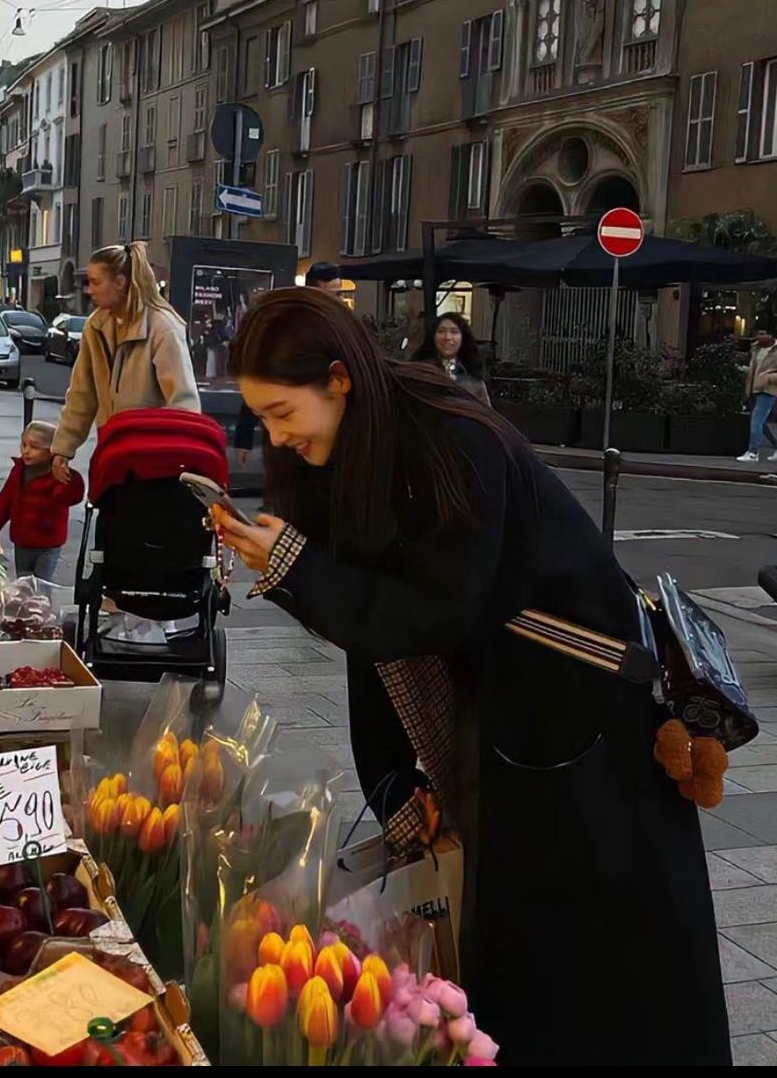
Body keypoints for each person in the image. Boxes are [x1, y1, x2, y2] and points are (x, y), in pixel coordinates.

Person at [211, 287, 729, 1067]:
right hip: (513, 722)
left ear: (340, 380)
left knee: (601, 968)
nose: (276, 438)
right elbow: (374, 630)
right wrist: (390, 782)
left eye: (284, 412)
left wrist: (295, 567)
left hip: (583, 725)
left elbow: (428, 615)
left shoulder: (454, 441)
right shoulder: (357, 451)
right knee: (517, 952)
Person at [50, 241, 199, 481]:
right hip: (113, 453)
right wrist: (62, 449)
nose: (89, 290)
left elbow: (184, 401)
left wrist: (176, 460)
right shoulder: (96, 326)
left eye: (96, 282)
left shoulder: (162, 327)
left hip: (153, 462)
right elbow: (81, 393)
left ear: (119, 283)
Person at [235, 265, 345, 464]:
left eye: (338, 295)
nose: (337, 301)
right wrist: (244, 437)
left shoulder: (341, 331)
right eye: (334, 294)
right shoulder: (288, 327)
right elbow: (259, 385)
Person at [0, 420, 85, 582]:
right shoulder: (18, 471)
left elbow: (71, 496)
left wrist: (65, 472)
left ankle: (43, 606)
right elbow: (2, 506)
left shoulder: (57, 476)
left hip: (47, 544)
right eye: (24, 445)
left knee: (41, 587)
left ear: (51, 451)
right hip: (22, 541)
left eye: (34, 447)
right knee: (23, 585)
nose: (26, 451)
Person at [417, 312, 491, 406]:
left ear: (463, 337)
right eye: (441, 331)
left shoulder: (473, 380)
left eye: (454, 331)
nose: (447, 337)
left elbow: (486, 416)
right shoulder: (420, 373)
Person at [737, 327, 777, 462]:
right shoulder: (756, 349)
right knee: (761, 422)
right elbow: (755, 368)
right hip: (754, 389)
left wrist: (768, 378)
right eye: (757, 334)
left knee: (756, 421)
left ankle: (753, 452)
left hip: (768, 390)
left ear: (771, 335)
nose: (758, 337)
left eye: (762, 334)